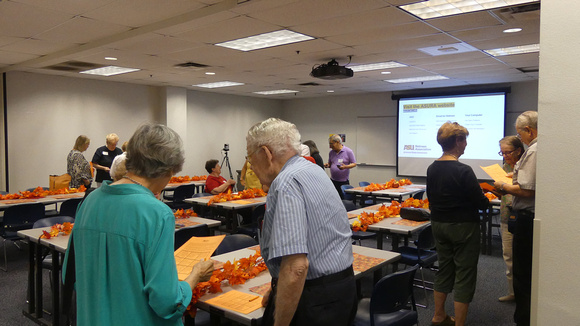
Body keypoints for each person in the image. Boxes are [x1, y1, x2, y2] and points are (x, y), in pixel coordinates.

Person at [63, 123, 214, 325]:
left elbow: (70, 275)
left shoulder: (88, 202)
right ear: (170, 168)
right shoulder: (157, 213)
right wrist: (196, 276)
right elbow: (167, 302)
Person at [246, 118, 356, 326]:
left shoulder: (285, 183)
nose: (251, 166)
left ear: (266, 153)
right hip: (343, 289)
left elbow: (296, 267)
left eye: (250, 158)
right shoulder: (313, 171)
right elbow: (316, 238)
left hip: (314, 299)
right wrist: (278, 288)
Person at [426, 122, 489, 326]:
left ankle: (438, 316)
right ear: (457, 141)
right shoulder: (464, 170)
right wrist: (487, 197)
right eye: (464, 140)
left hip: (438, 225)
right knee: (465, 274)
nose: (466, 145)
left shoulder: (432, 167)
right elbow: (480, 202)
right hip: (463, 227)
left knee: (444, 269)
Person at [494, 111, 537, 326]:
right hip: (513, 216)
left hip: (524, 217)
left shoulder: (534, 151)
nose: (505, 157)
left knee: (522, 268)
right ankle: (517, 298)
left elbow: (527, 191)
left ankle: (523, 314)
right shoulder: (533, 152)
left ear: (529, 131)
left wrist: (503, 185)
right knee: (513, 261)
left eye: (520, 135)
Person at [496, 136, 525, 302]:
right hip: (507, 216)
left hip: (523, 216)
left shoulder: (526, 165)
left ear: (518, 150)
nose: (505, 156)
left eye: (507, 152)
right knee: (508, 255)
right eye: (502, 152)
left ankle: (525, 294)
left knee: (524, 256)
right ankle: (513, 292)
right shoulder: (504, 166)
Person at [324, 134, 356, 199]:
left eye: (331, 144)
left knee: (343, 199)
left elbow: (354, 163)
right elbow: (330, 163)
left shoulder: (348, 151)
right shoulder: (331, 152)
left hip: (343, 181)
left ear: (338, 142)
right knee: (333, 198)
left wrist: (345, 167)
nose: (330, 146)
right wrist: (327, 165)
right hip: (333, 180)